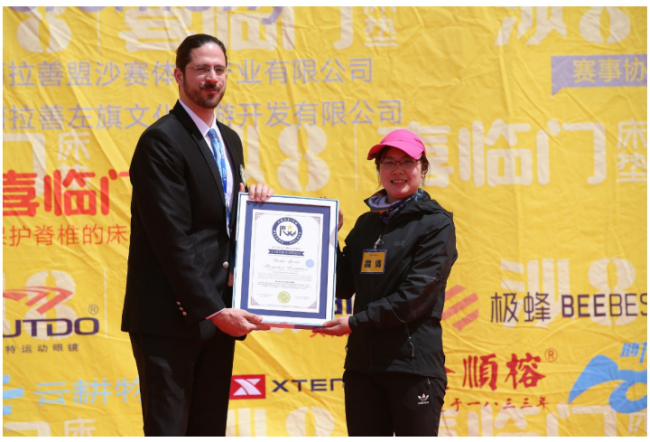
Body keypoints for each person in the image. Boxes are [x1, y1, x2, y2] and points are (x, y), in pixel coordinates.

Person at [121, 34, 273, 436]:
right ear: (179, 75)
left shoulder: (229, 140)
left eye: (219, 69)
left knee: (208, 428)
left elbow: (223, 224)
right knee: (170, 429)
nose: (212, 78)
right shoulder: (161, 140)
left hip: (218, 312)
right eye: (201, 69)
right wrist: (213, 310)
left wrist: (263, 208)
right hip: (172, 316)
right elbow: (170, 237)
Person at [314, 129, 458, 436]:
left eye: (407, 162)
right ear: (379, 170)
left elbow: (415, 297)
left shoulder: (436, 224)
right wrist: (327, 234)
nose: (397, 170)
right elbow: (343, 285)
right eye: (389, 162)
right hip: (362, 367)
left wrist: (356, 322)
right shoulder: (367, 223)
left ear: (423, 168)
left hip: (411, 366)